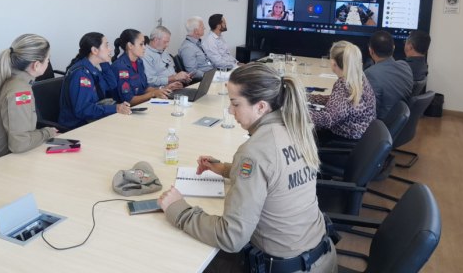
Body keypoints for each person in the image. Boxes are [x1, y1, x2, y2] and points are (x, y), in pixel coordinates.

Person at [158, 63, 337, 273]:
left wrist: (179, 210)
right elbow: (276, 175)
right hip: (322, 258)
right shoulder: (296, 128)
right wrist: (226, 169)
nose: (229, 110)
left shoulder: (254, 151)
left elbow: (231, 237)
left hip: (287, 267)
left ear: (260, 107)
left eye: (235, 103)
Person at [0, 34, 58, 161]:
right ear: (36, 65)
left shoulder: (13, 80)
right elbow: (20, 144)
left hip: (4, 159)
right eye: (48, 59)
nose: (48, 62)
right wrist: (48, 133)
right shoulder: (20, 91)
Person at [58, 32, 132, 130]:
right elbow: (82, 110)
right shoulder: (81, 74)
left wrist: (105, 63)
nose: (110, 49)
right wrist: (116, 108)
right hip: (77, 127)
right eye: (106, 45)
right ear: (94, 50)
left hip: (91, 121)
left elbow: (111, 85)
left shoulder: (92, 69)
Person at [308, 41, 376, 143]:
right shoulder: (359, 77)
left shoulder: (343, 84)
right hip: (362, 138)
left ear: (333, 63)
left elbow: (328, 119)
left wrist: (300, 114)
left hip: (345, 140)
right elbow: (340, 103)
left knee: (303, 134)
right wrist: (311, 98)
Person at [111, 29, 170, 106]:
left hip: (141, 105)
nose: (144, 47)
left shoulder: (139, 61)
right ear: (130, 46)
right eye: (141, 44)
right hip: (125, 110)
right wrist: (153, 94)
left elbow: (144, 88)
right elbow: (128, 101)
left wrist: (162, 90)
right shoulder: (121, 67)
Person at [365, 31, 413, 121]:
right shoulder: (405, 66)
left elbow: (369, 110)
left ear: (371, 51)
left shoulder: (370, 74)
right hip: (397, 122)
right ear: (393, 48)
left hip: (380, 125)